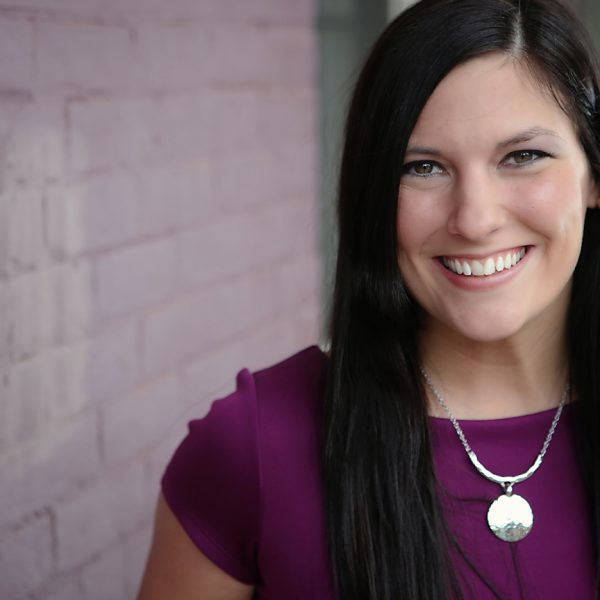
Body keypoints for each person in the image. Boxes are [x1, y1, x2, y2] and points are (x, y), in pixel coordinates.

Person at [137, 0, 600, 598]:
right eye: (423, 167)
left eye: (523, 156)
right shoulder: (251, 446)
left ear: (593, 174)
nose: (476, 219)